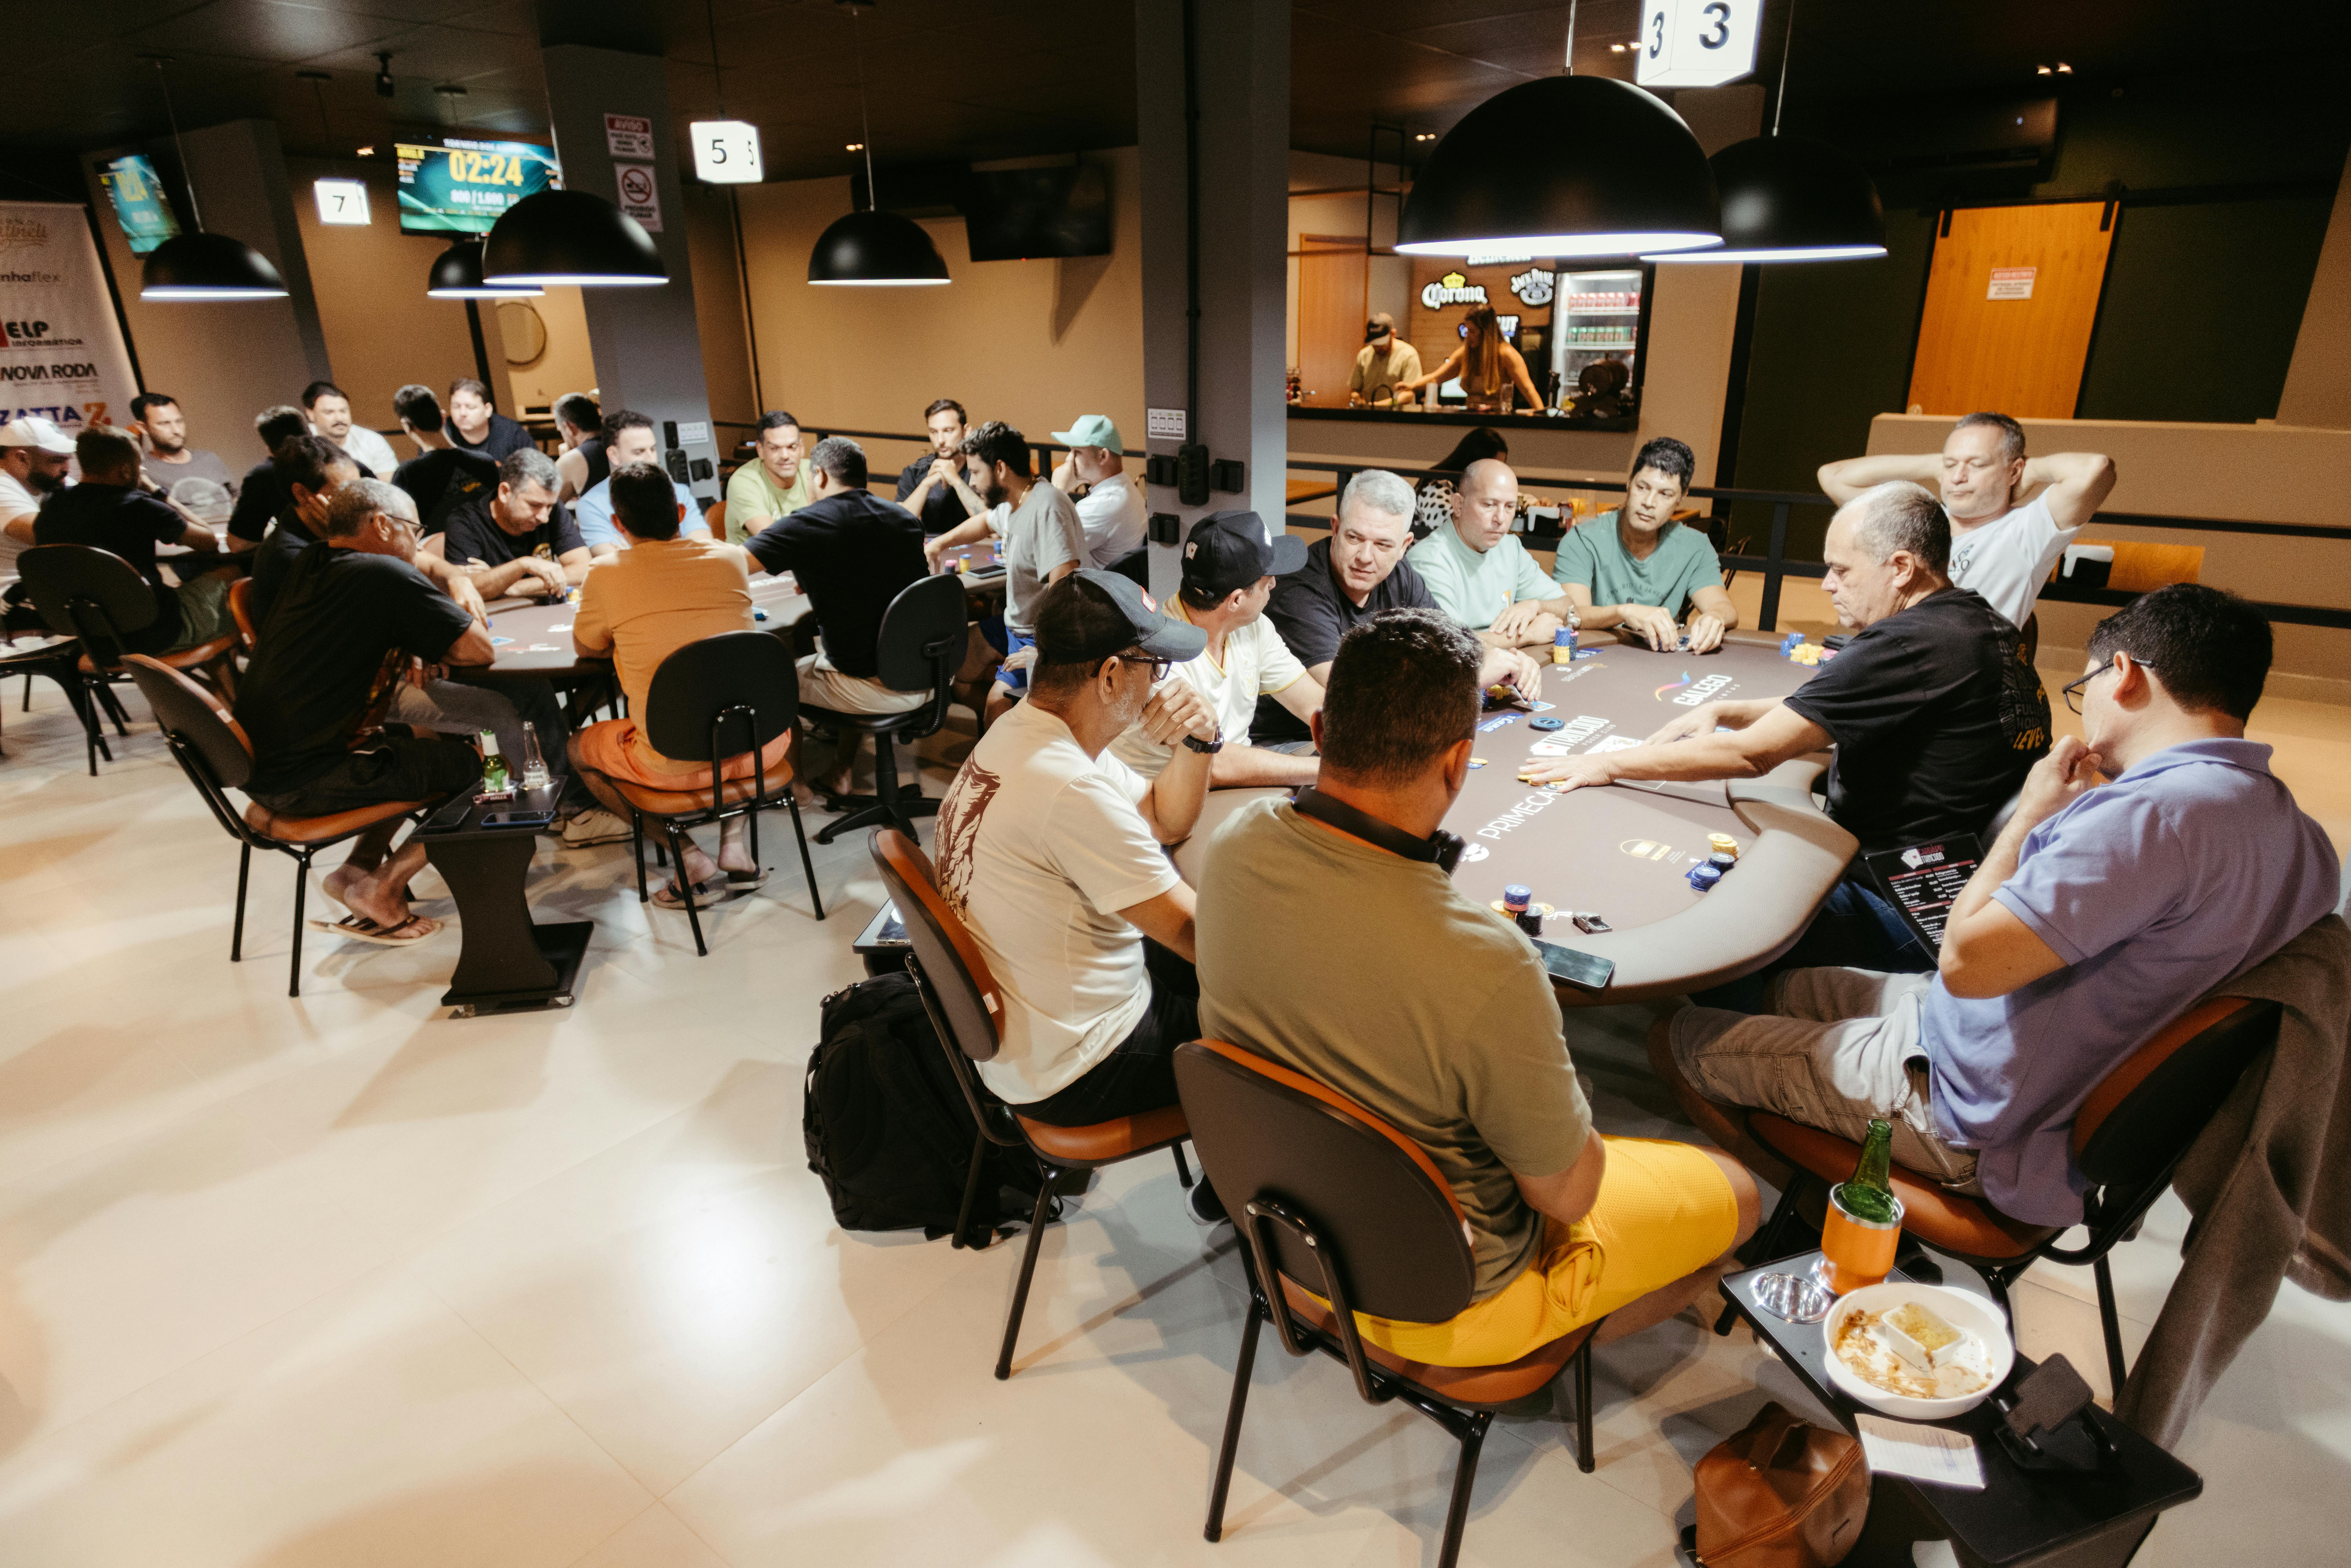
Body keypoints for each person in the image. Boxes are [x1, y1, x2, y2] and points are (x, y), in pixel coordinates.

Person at [1661, 585, 2337, 1224]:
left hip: (1980, 1113)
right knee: (1780, 987)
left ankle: (1821, 1220)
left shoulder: (2148, 816)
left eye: (2086, 687)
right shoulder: (2300, 835)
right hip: (2010, 1055)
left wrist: (2033, 813)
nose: (2087, 707)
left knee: (1680, 1035)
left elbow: (1965, 964)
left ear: (2125, 674)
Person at [1194, 608, 1759, 1366]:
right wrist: (1563, 1092)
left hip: (1281, 1233)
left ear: (1322, 733)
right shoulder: (1491, 962)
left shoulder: (1230, 846)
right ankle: (1533, 1349)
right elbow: (1569, 1195)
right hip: (1449, 1299)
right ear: (1460, 764)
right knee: (1740, 1192)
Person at [1529, 481, 2050, 985]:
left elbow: (1753, 755)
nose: (1827, 584)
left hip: (1899, 911)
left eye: (1841, 570)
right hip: (1953, 891)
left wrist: (1604, 763)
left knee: (1700, 892)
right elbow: (1847, 706)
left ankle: (1727, 1025)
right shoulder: (1975, 620)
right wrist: (1730, 709)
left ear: (1900, 568)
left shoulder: (1906, 642)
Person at [933, 570, 1221, 1132]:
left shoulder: (1028, 730)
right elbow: (1200, 937)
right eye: (1155, 666)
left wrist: (1200, 737)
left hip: (1027, 1038)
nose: (1160, 685)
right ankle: (1245, 1195)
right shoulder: (1069, 789)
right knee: (1279, 1040)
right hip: (1077, 1067)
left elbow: (1165, 817)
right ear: (1111, 674)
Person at [232, 479, 492, 944]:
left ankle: (355, 869)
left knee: (417, 745)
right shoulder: (382, 575)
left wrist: (437, 598)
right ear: (381, 524)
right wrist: (435, 623)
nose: (416, 542)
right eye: (413, 530)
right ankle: (382, 887)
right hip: (309, 781)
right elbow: (478, 650)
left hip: (262, 769)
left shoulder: (312, 559)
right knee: (497, 767)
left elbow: (402, 583)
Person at [569, 462, 776, 906]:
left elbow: (587, 647)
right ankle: (733, 844)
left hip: (669, 760)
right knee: (726, 701)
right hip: (757, 747)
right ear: (681, 513)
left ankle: (685, 854)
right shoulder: (730, 559)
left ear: (618, 525)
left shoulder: (604, 573)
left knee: (577, 748)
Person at [1254, 469, 1542, 746]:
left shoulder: (1399, 575)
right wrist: (1467, 679)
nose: (1365, 557)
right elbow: (1351, 695)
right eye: (1354, 538)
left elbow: (1453, 641)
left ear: (1404, 546)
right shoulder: (1299, 590)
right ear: (1336, 527)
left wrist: (1505, 660)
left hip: (1361, 735)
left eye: (1382, 545)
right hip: (1291, 742)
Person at [744, 437, 927, 791]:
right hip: (923, 674)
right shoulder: (903, 518)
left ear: (821, 476)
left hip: (866, 684)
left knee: (775, 681)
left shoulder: (809, 522)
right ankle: (841, 768)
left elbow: (735, 565)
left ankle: (796, 787)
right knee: (848, 650)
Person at [1818, 413, 2116, 630]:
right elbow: (1832, 477)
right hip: (1890, 650)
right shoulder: (1921, 519)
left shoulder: (2025, 530)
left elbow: (2095, 469)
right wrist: (1935, 465)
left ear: (2014, 471)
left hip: (1957, 672)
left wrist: (2030, 473)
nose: (1958, 477)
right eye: (1950, 465)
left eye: (1976, 465)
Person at [1106, 510, 1322, 786]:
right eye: (1266, 578)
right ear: (1235, 600)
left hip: (1232, 777)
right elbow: (1212, 763)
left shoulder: (1255, 627)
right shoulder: (1157, 662)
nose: (1274, 583)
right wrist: (1325, 771)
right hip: (1165, 799)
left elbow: (1314, 703)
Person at [926, 420, 1087, 722]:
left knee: (995, 703)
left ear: (999, 468)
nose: (971, 482)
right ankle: (1014, 728)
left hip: (1042, 637)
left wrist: (1042, 655)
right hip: (1015, 626)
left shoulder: (1047, 507)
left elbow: (1065, 590)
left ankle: (1006, 737)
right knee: (955, 666)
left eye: (975, 472)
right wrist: (939, 544)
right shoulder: (1015, 502)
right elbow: (986, 522)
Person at [34, 426, 234, 656]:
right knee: (232, 575)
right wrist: (157, 491)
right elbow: (209, 541)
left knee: (186, 596)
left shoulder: (52, 504)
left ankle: (210, 690)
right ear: (126, 470)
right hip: (155, 634)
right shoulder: (140, 506)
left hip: (94, 641)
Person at [1551, 436, 1738, 652]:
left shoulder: (1695, 546)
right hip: (1593, 653)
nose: (1649, 503)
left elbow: (1725, 608)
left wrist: (1716, 618)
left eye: (1665, 494)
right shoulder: (1582, 540)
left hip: (1658, 658)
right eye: (1643, 487)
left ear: (1681, 498)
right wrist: (1624, 612)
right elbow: (1572, 614)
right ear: (1629, 483)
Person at [1407, 458, 1576, 651]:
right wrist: (1527, 635)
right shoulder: (1429, 560)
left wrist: (1536, 606)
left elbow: (1569, 608)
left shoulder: (1510, 547)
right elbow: (1449, 645)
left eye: (1510, 507)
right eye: (1489, 505)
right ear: (1459, 505)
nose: (1501, 519)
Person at [422, 447, 604, 593]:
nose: (544, 517)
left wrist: (511, 586)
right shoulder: (464, 523)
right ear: (505, 493)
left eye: (549, 507)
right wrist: (524, 565)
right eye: (534, 505)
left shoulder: (551, 508)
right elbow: (469, 588)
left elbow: (583, 570)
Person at [245, 437, 362, 629]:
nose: (358, 502)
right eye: (344, 493)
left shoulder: (325, 532)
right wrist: (349, 537)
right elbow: (356, 602)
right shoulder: (288, 554)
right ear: (302, 494)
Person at [573, 412, 707, 552]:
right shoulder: (591, 505)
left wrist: (631, 553)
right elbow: (609, 560)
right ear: (614, 455)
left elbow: (703, 547)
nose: (651, 459)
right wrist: (680, 548)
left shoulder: (680, 492)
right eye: (639, 452)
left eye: (653, 449)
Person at [388, 384, 500, 530]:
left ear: (406, 426)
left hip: (439, 551)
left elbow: (400, 527)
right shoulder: (486, 462)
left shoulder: (408, 475)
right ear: (443, 417)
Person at [1401, 304, 1543, 415]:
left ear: (1487, 333)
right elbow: (1436, 378)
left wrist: (1544, 419)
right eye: (1467, 331)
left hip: (1498, 421)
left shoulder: (1507, 355)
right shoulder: (1465, 354)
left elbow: (1528, 389)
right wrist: (1411, 386)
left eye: (1473, 332)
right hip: (1471, 418)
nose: (1468, 336)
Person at [1, 417, 75, 613]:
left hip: (48, 588)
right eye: (57, 460)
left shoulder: (51, 481)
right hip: (11, 598)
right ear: (22, 458)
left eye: (68, 459)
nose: (66, 469)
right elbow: (48, 537)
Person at [1051, 415, 1146, 565]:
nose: (1069, 460)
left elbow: (1048, 549)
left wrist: (1058, 491)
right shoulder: (1125, 486)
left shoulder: (1101, 505)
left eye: (1077, 452)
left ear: (1103, 456)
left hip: (1091, 588)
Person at [128, 393, 237, 519]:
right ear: (143, 428)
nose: (176, 431)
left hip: (231, 533)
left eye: (179, 421)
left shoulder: (209, 459)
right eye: (165, 424)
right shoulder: (142, 473)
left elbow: (236, 499)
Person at [226, 404, 318, 549]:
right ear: (310, 433)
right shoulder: (349, 463)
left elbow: (238, 544)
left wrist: (276, 533)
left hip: (305, 562)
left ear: (270, 448)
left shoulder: (265, 476)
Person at [894, 398, 986, 536]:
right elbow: (899, 525)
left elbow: (994, 524)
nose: (941, 440)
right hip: (929, 551)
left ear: (966, 431)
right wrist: (926, 485)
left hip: (977, 551)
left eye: (948, 431)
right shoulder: (915, 472)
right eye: (934, 432)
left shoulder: (982, 470)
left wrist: (956, 481)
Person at [723, 410, 813, 545]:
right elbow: (776, 542)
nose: (785, 456)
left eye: (792, 447)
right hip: (757, 564)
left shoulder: (814, 472)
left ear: (801, 448)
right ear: (760, 449)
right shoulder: (744, 481)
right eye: (775, 448)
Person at [1413, 426, 1509, 539]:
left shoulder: (1468, 486)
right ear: (1475, 463)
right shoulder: (1437, 487)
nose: (1497, 475)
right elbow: (1452, 531)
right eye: (1494, 468)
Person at [303, 380, 397, 477]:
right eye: (329, 412)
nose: (339, 418)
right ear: (311, 415)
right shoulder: (301, 444)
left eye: (343, 411)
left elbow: (389, 487)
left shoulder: (373, 441)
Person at [1348, 312, 1423, 409]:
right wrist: (1358, 399)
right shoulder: (1364, 355)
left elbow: (1408, 395)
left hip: (1399, 418)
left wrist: (1377, 406)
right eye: (1374, 343)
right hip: (1369, 418)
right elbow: (1355, 389)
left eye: (1382, 343)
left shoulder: (1409, 355)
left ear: (1393, 334)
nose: (1378, 347)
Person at [447, 378, 534, 461]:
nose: (463, 413)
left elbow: (536, 470)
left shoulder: (512, 432)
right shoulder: (443, 434)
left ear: (488, 410)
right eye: (456, 407)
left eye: (471, 407)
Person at [550, 392, 607, 502]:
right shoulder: (619, 444)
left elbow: (547, 507)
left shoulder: (573, 459)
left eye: (561, 430)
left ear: (568, 427)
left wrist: (565, 459)